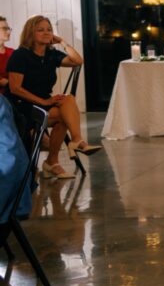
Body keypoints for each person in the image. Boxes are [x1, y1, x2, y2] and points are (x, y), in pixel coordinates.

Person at [6, 16, 101, 179]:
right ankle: (52, 162)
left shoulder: (51, 54)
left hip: (44, 104)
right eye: (40, 30)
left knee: (68, 100)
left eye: (49, 29)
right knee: (64, 116)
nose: (46, 33)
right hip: (21, 106)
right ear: (31, 33)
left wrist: (62, 41)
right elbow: (15, 89)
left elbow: (78, 61)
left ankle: (76, 140)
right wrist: (44, 102)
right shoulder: (20, 55)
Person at [0, 15, 11, 94]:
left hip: (14, 98)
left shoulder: (13, 53)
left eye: (9, 29)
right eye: (5, 29)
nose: (8, 32)